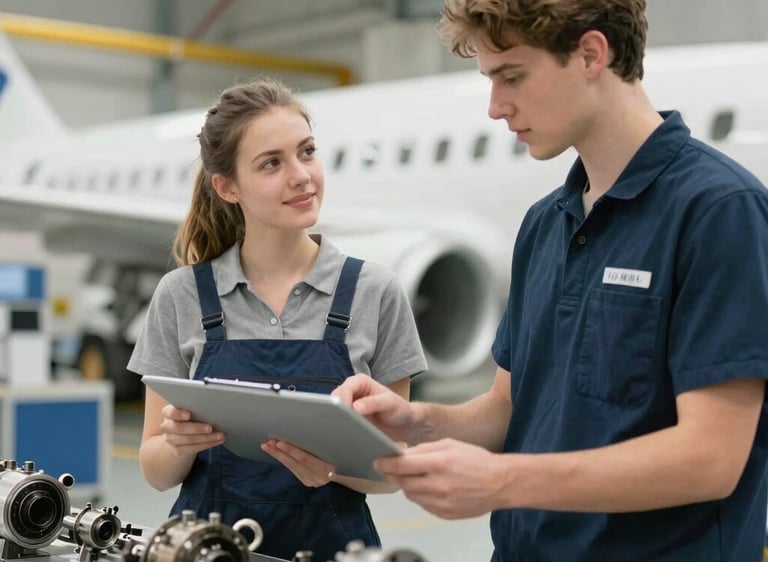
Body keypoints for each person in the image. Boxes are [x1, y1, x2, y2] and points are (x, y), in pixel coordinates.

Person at [332, 1, 768, 561]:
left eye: (511, 76)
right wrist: (415, 420)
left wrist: (503, 481)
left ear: (591, 54)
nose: (495, 107)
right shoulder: (546, 223)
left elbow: (710, 459)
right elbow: (509, 411)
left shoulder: (719, 212)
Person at [128, 76, 427, 562]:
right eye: (272, 163)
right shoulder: (181, 295)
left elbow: (391, 470)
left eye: (307, 152)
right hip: (207, 551)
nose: (301, 175)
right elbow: (156, 470)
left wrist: (329, 468)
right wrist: (180, 445)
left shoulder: (376, 292)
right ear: (227, 186)